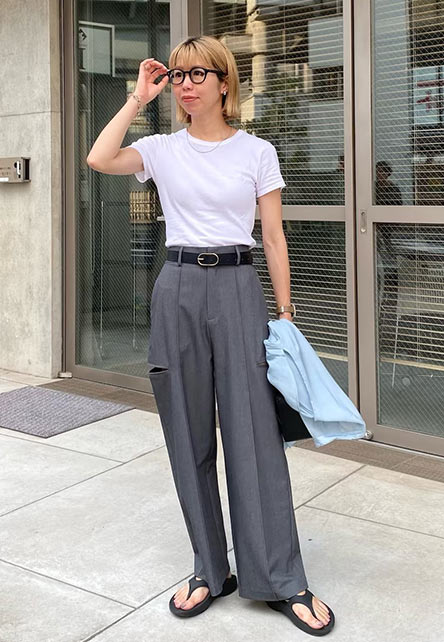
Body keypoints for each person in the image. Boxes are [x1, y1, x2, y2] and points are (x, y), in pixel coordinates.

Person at [86, 35, 334, 636]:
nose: (187, 83)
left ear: (225, 82)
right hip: (176, 286)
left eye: (199, 73)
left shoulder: (257, 151)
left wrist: (285, 314)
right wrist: (138, 99)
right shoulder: (161, 149)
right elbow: (98, 158)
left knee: (254, 434)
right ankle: (210, 569)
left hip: (238, 285)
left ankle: (281, 576)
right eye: (178, 74)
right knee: (188, 432)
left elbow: (272, 237)